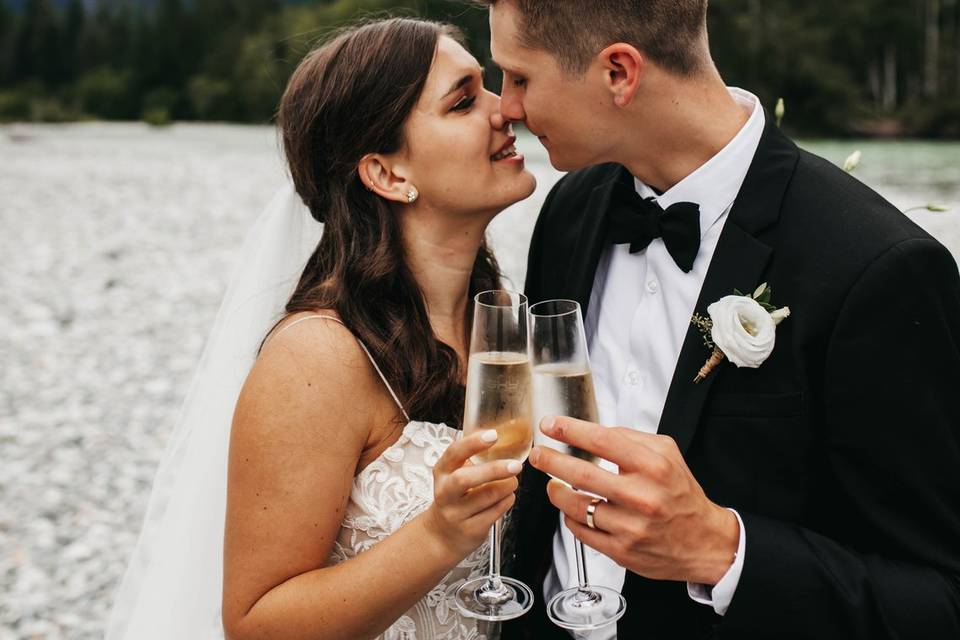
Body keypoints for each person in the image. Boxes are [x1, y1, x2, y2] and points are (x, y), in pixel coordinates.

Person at [472, 1, 960, 638]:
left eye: (519, 78)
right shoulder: (571, 210)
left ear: (619, 72)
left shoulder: (880, 268)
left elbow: (940, 599)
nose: (505, 107)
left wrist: (724, 551)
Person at [106, 17, 537, 640]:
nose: (508, 109)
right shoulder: (318, 356)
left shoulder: (504, 318)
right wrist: (438, 534)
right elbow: (256, 624)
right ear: (388, 174)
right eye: (465, 100)